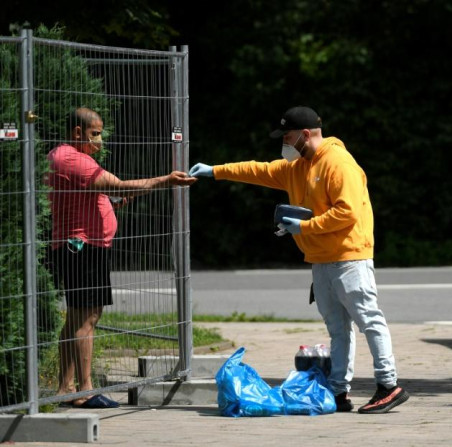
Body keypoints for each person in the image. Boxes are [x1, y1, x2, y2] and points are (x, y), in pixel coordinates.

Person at [189, 106, 409, 414]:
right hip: (320, 260)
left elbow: (347, 213)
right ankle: (338, 392)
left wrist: (304, 226)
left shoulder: (339, 163)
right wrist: (216, 171)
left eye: (288, 137)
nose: (285, 144)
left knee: (369, 320)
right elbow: (258, 170)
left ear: (306, 135)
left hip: (349, 258)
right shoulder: (296, 167)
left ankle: (389, 385)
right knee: (338, 329)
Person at [47, 107, 196, 408]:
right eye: (95, 134)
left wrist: (110, 200)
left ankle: (66, 389)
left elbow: (106, 192)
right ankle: (85, 390)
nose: (100, 141)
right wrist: (166, 180)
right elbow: (118, 185)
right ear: (77, 133)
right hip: (82, 247)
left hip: (85, 245)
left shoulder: (70, 157)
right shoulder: (72, 158)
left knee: (78, 316)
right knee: (87, 317)